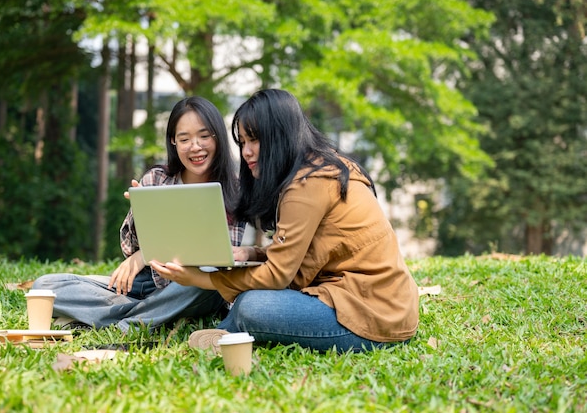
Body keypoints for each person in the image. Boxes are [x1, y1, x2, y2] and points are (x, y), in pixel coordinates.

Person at [151, 89, 419, 353]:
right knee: (251, 300)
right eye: (242, 142)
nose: (246, 152)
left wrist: (200, 278)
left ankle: (227, 333)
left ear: (279, 135)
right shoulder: (318, 168)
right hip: (376, 304)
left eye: (254, 140)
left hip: (372, 314)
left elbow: (278, 275)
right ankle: (226, 332)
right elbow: (303, 251)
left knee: (253, 305)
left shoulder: (307, 184)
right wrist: (252, 252)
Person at [31, 96, 244, 333]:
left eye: (204, 136)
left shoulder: (234, 191)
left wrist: (149, 253)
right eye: (185, 139)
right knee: (45, 287)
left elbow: (222, 259)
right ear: (173, 141)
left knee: (210, 280)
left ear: (218, 137)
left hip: (192, 287)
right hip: (143, 284)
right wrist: (138, 215)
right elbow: (129, 251)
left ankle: (125, 324)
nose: (195, 147)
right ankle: (151, 314)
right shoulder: (156, 179)